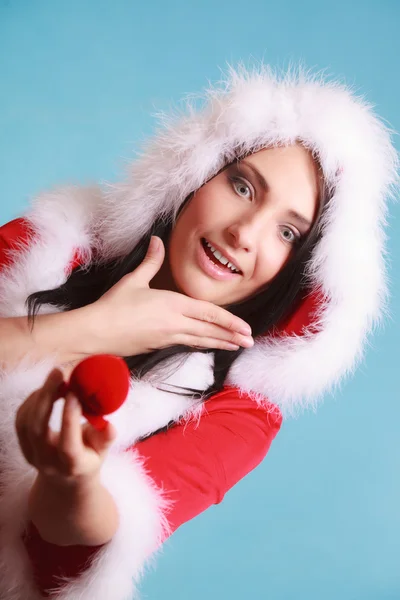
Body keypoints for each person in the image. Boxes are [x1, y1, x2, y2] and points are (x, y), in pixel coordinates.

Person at [0, 65, 397, 600]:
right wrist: (95, 329)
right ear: (193, 174)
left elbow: (84, 544)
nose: (244, 233)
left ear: (302, 270)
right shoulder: (50, 245)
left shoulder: (241, 414)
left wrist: (70, 477)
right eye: (241, 186)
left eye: (287, 232)